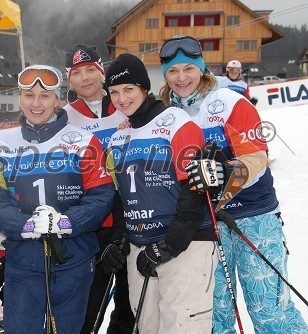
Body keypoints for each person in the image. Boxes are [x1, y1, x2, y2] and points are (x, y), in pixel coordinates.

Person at [159, 35, 308, 333]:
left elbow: (257, 159)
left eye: (188, 68)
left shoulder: (227, 101)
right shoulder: (165, 114)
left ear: (201, 68)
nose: (181, 77)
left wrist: (225, 175)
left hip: (253, 216)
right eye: (173, 71)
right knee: (216, 314)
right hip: (206, 224)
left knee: (269, 310)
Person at [0, 64, 115, 333]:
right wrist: (25, 224)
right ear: (20, 98)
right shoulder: (4, 146)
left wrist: (67, 222)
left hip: (74, 259)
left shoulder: (84, 141)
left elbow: (101, 196)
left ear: (57, 99)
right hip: (24, 261)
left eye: (44, 96)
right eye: (29, 95)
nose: (36, 104)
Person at [103, 53, 216, 333]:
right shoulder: (118, 138)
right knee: (146, 326)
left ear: (144, 88)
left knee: (182, 326)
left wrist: (170, 245)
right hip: (141, 251)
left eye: (128, 89)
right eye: (114, 92)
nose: (122, 99)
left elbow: (195, 192)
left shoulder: (177, 121)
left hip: (184, 247)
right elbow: (122, 198)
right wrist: (119, 240)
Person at [64, 43, 134, 334]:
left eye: (90, 69)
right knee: (90, 301)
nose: (85, 78)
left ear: (101, 72)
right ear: (70, 79)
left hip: (131, 215)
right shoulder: (64, 115)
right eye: (77, 72)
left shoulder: (125, 104)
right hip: (92, 221)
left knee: (129, 301)